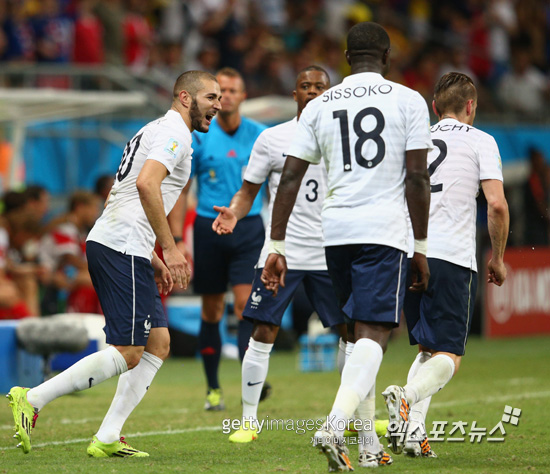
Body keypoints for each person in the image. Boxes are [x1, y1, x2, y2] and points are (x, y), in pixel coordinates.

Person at [6, 70, 221, 457]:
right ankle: (32, 398)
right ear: (186, 98)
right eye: (211, 97)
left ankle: (107, 436)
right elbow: (146, 185)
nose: (217, 105)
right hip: (120, 246)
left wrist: (151, 254)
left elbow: (124, 194)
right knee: (130, 350)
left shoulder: (153, 128)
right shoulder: (174, 133)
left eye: (220, 98)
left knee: (158, 343)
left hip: (123, 243)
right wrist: (171, 250)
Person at [261, 22, 432, 471]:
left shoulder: (321, 105)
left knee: (357, 336)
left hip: (333, 231)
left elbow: (291, 175)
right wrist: (420, 243)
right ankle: (334, 427)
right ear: (388, 56)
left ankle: (370, 449)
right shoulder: (408, 99)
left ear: (345, 57)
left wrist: (276, 242)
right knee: (376, 332)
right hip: (383, 228)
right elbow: (417, 178)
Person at [211, 66, 348, 443]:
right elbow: (248, 191)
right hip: (280, 252)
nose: (312, 92)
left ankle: (351, 415)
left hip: (331, 252)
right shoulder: (273, 139)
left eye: (320, 87)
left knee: (350, 331)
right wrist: (235, 213)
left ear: (330, 93)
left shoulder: (345, 141)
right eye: (305, 86)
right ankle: (249, 421)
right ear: (295, 93)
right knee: (263, 328)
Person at [383, 72, 510, 458]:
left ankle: (413, 435)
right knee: (450, 354)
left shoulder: (414, 137)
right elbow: (498, 204)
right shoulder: (482, 141)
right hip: (451, 256)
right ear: (471, 105)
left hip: (408, 252)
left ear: (435, 108)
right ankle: (406, 397)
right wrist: (499, 257)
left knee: (428, 347)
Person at [169, 67, 266, 411]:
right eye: (219, 90)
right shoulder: (200, 135)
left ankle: (248, 383)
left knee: (244, 306)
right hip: (208, 229)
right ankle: (212, 389)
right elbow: (182, 188)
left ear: (243, 96)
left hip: (249, 229)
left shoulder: (261, 135)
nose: (225, 96)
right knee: (211, 310)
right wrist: (178, 238)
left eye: (232, 90)